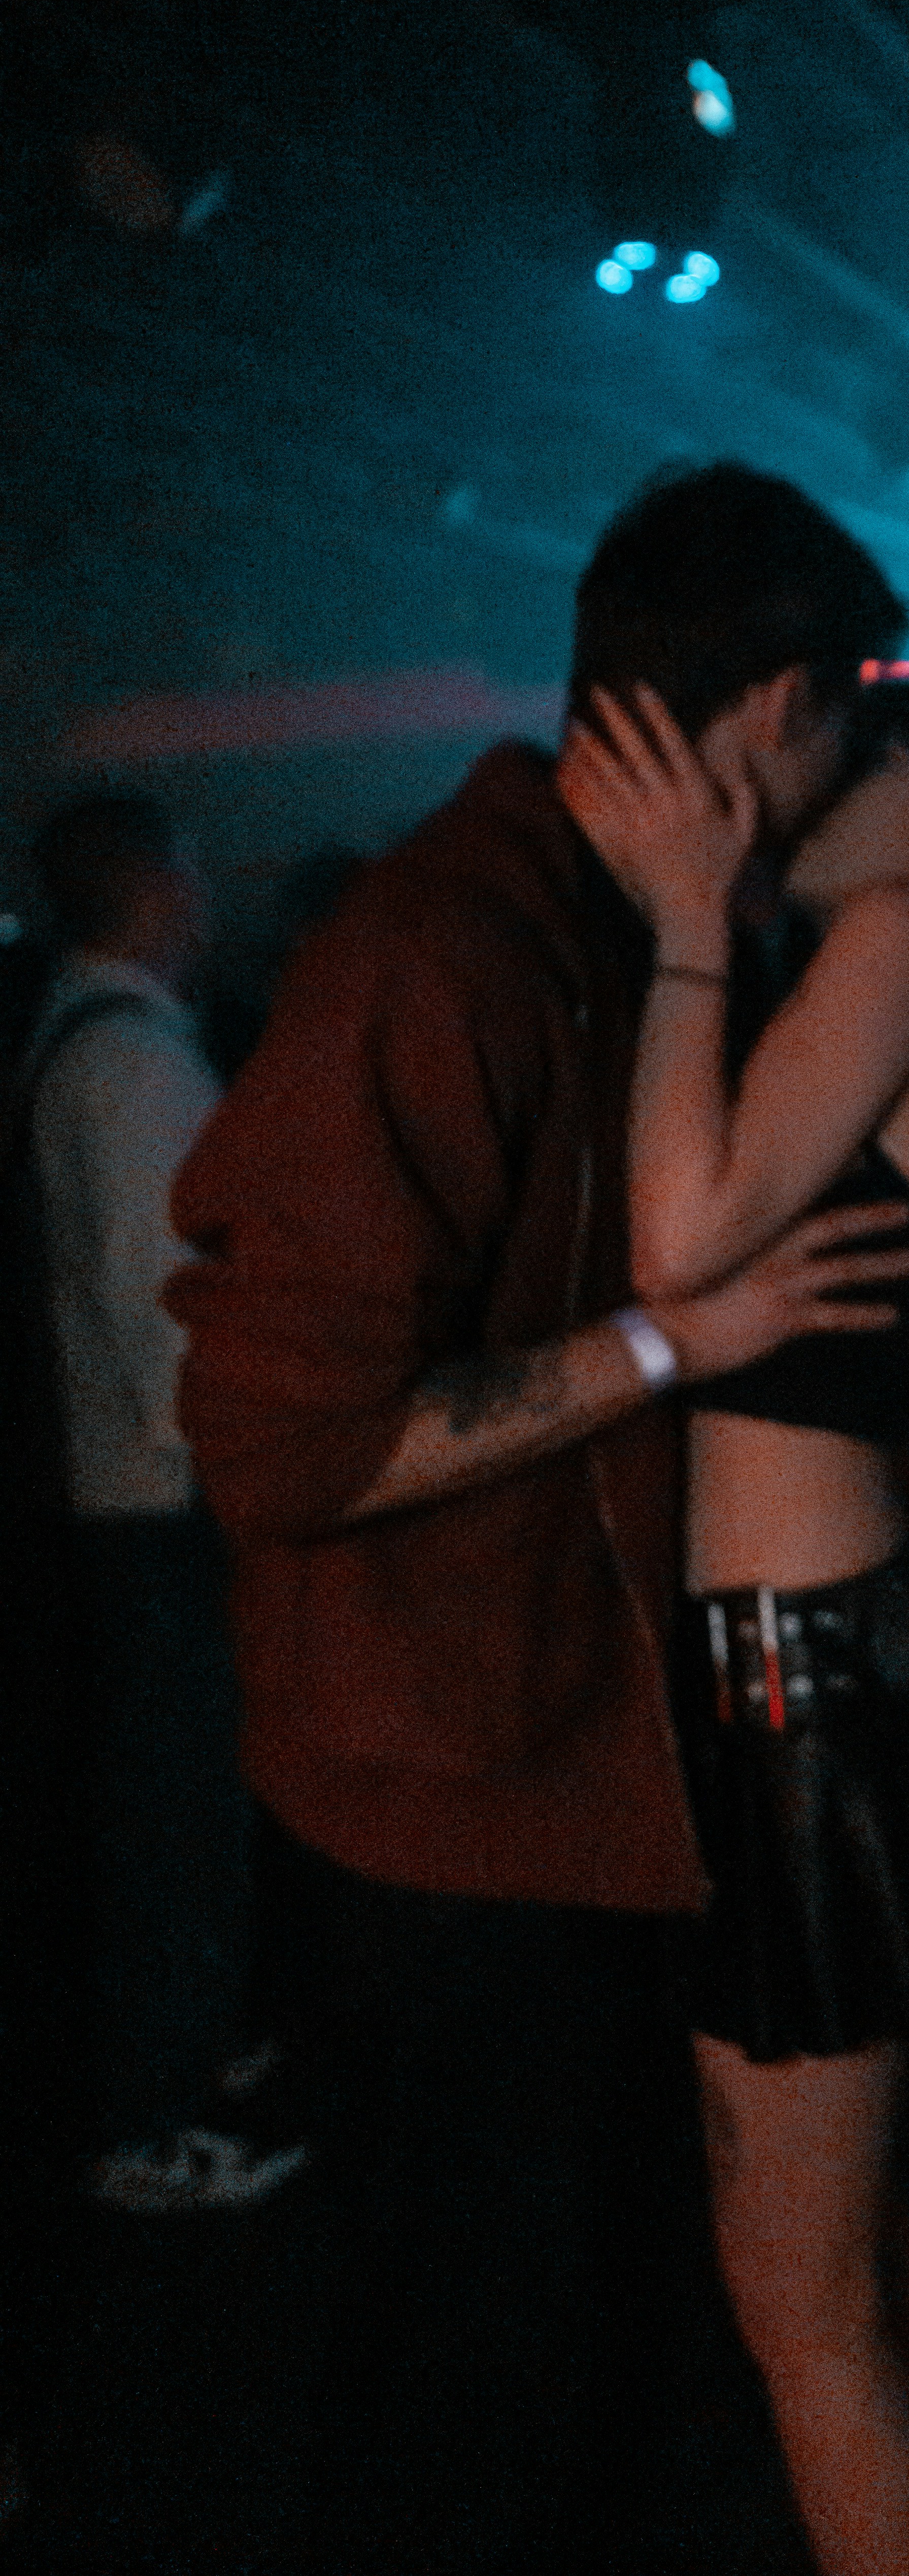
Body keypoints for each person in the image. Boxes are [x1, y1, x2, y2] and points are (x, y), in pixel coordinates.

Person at [167, 466, 909, 2575]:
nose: (853, 759)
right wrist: (676, 1346)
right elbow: (282, 1452)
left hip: (555, 1774)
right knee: (476, 2387)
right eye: (846, 715)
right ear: (777, 715)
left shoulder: (603, 935)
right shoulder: (443, 949)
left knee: (564, 2353)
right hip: (446, 1808)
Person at [556, 673, 909, 2576]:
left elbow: (680, 1251)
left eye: (874, 740)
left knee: (800, 2297)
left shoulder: (904, 934)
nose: (815, 768)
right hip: (823, 1648)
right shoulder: (895, 957)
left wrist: (688, 918)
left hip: (802, 1670)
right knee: (858, 2263)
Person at [11, 792, 295, 2209]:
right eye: (191, 865)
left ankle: (182, 2061)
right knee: (175, 1808)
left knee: (161, 1803)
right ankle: (156, 2110)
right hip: (154, 1500)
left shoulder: (81, 1043)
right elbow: (169, 1311)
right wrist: (239, 1470)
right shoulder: (134, 1070)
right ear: (157, 884)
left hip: (109, 1486)